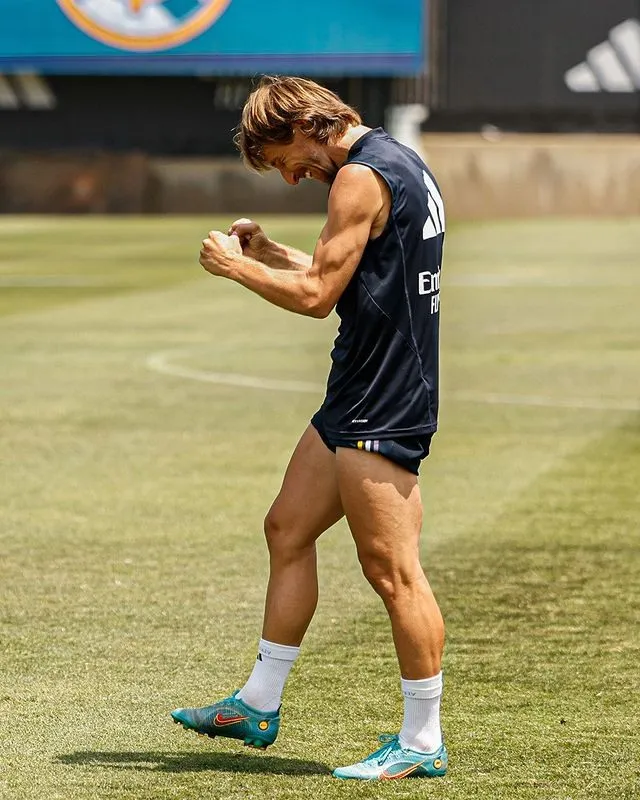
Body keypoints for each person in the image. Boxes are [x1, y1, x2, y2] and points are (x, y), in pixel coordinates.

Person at [171, 75, 447, 781]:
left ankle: (422, 741)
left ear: (303, 126)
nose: (291, 179)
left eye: (283, 160)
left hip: (384, 397)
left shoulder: (358, 178)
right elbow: (348, 275)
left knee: (393, 572)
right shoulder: (390, 159)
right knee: (287, 528)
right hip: (359, 389)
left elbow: (321, 297)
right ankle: (258, 702)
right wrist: (267, 253)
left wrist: (234, 269)